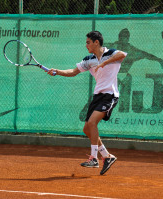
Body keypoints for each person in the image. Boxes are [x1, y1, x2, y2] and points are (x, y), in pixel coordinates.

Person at [47, 31, 127, 175]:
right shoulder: (89, 59)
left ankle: (94, 159)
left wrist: (105, 63)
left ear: (96, 42)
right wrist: (57, 71)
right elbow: (73, 71)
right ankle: (107, 156)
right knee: (87, 129)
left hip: (110, 95)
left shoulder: (111, 53)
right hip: (97, 95)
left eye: (88, 42)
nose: (86, 45)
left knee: (92, 123)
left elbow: (123, 55)